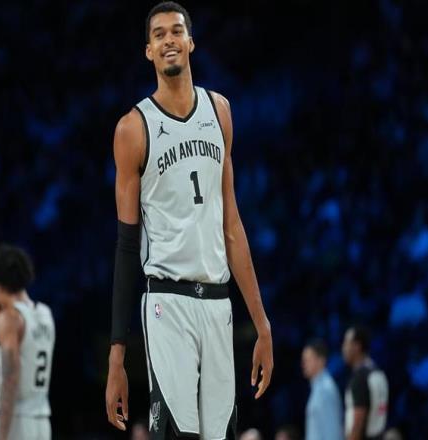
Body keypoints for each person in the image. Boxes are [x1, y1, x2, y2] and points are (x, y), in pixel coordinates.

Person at [104, 2, 274, 439]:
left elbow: (232, 225)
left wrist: (262, 323)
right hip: (167, 302)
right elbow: (127, 244)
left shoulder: (220, 112)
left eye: (176, 31)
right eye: (158, 34)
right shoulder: (132, 128)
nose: (169, 40)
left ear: (191, 42)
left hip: (218, 303)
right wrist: (117, 356)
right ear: (148, 51)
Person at [0, 244, 55, 440]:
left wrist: (1, 436)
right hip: (41, 421)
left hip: (16, 421)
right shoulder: (45, 314)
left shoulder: (10, 318)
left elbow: (10, 380)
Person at [342, 326, 389, 440]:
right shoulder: (379, 373)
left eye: (346, 343)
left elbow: (358, 422)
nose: (343, 348)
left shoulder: (360, 378)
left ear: (357, 346)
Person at [301, 339, 344, 440]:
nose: (303, 364)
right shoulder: (318, 388)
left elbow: (332, 432)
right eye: (303, 360)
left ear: (321, 361)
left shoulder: (325, 389)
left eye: (307, 360)